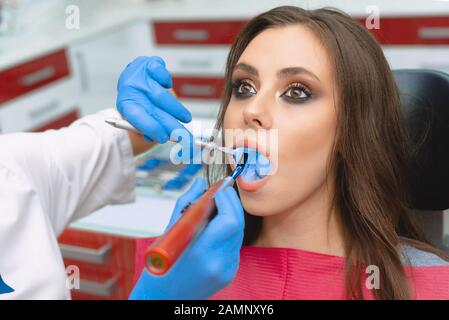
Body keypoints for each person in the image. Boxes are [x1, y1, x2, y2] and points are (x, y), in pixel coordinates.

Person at [133, 6, 449, 300]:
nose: (252, 110)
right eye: (244, 87)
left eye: (296, 92)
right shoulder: (173, 267)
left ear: (352, 130)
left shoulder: (434, 287)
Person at [0, 56, 244, 299]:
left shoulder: (9, 168)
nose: (254, 111)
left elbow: (127, 138)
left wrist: (150, 104)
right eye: (244, 89)